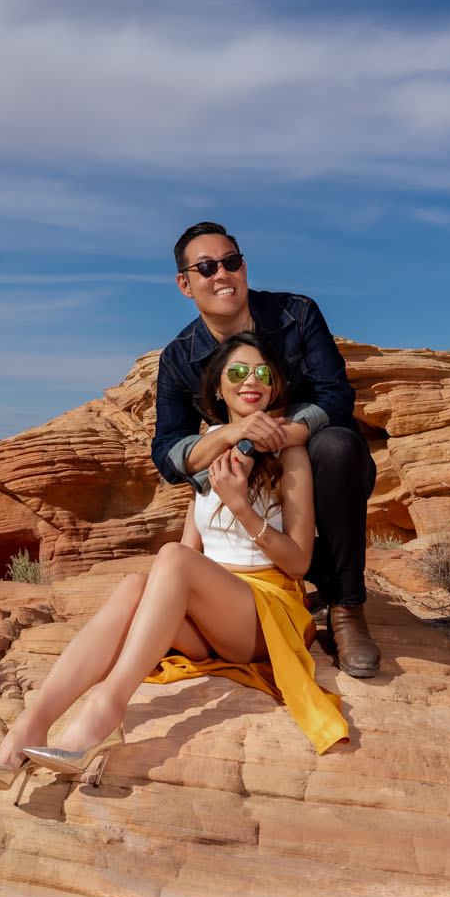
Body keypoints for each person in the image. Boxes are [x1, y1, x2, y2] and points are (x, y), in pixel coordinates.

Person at [0, 331, 347, 799]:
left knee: (170, 559)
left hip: (267, 612)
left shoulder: (290, 452)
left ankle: (105, 712)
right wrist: (152, 599)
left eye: (262, 373)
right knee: (135, 584)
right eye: (237, 372)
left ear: (275, 386)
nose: (250, 380)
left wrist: (241, 506)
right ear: (217, 389)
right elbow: (190, 551)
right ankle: (31, 726)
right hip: (214, 611)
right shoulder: (207, 448)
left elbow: (299, 563)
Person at [150, 221, 381, 677]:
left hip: (307, 456)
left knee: (337, 447)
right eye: (207, 267)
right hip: (245, 469)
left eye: (231, 262)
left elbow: (336, 398)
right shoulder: (177, 358)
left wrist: (287, 433)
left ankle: (346, 608)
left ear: (244, 267)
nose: (223, 275)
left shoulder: (297, 315)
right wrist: (228, 438)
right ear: (185, 283)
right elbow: (167, 451)